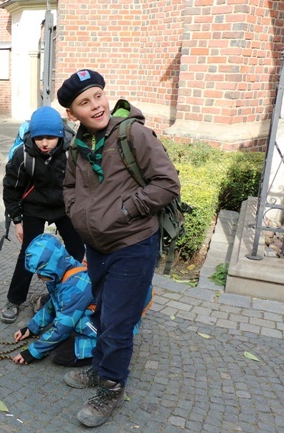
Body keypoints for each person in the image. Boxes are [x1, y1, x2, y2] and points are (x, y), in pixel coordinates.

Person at [58, 69, 180, 427]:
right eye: (85, 102)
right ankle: (99, 369)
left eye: (98, 96)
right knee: (102, 313)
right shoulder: (79, 145)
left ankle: (111, 387)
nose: (96, 106)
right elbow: (68, 186)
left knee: (117, 322)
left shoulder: (133, 134)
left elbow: (166, 183)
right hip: (97, 246)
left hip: (133, 244)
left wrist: (126, 210)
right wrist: (76, 214)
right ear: (73, 113)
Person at [0, 106, 85, 324]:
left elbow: (85, 184)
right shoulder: (23, 155)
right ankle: (15, 299)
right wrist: (17, 220)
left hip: (64, 206)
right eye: (39, 138)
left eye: (50, 137)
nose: (44, 143)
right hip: (34, 207)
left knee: (77, 249)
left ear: (59, 135)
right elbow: (11, 189)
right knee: (29, 252)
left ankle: (64, 294)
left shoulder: (71, 151)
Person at [11, 233, 96, 367]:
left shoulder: (73, 290)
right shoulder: (63, 269)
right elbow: (54, 304)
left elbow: (62, 327)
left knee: (59, 356)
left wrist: (32, 352)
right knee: (50, 304)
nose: (39, 277)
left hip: (104, 328)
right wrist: (31, 328)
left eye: (41, 273)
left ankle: (103, 351)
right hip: (80, 307)